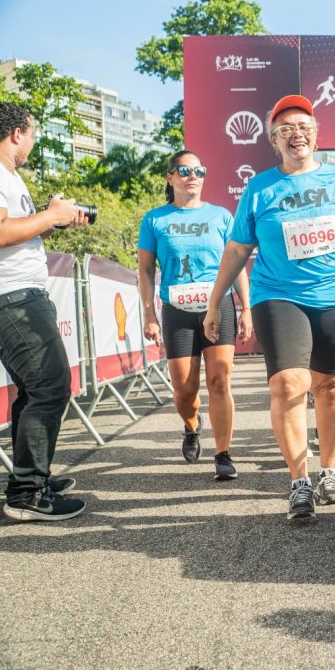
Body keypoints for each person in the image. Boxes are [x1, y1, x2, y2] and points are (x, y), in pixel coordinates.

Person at [202, 94, 335, 522]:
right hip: (279, 295)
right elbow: (237, 248)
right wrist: (216, 301)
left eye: (304, 127)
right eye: (286, 129)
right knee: (289, 383)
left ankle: (329, 470)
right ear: (273, 141)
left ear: (316, 136)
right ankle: (299, 481)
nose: (297, 135)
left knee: (330, 387)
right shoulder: (259, 187)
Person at [0, 101, 89, 521]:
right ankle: (28, 492)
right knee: (50, 387)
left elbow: (14, 228)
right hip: (9, 297)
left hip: (18, 295)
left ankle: (32, 480)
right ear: (16, 133)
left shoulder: (7, 176)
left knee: (35, 389)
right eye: (31, 134)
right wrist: (50, 214)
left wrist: (54, 219)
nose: (32, 142)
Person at [138, 151, 251, 480]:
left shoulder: (221, 216)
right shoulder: (155, 219)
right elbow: (145, 270)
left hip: (219, 306)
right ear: (170, 177)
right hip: (177, 310)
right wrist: (149, 313)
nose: (192, 176)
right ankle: (191, 426)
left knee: (220, 380)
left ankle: (223, 454)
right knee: (185, 392)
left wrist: (247, 308)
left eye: (199, 170)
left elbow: (236, 264)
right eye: (184, 170)